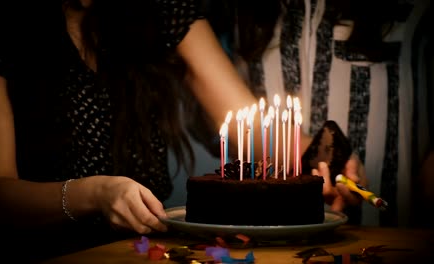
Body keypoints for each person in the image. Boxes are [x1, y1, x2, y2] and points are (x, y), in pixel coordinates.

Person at [0, 0, 265, 261]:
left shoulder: (159, 7)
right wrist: (97, 193)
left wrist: (308, 155)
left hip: (141, 253)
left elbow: (253, 127)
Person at [184, 0, 431, 227]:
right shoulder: (232, 7)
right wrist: (316, 160)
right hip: (272, 223)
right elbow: (210, 84)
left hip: (397, 221)